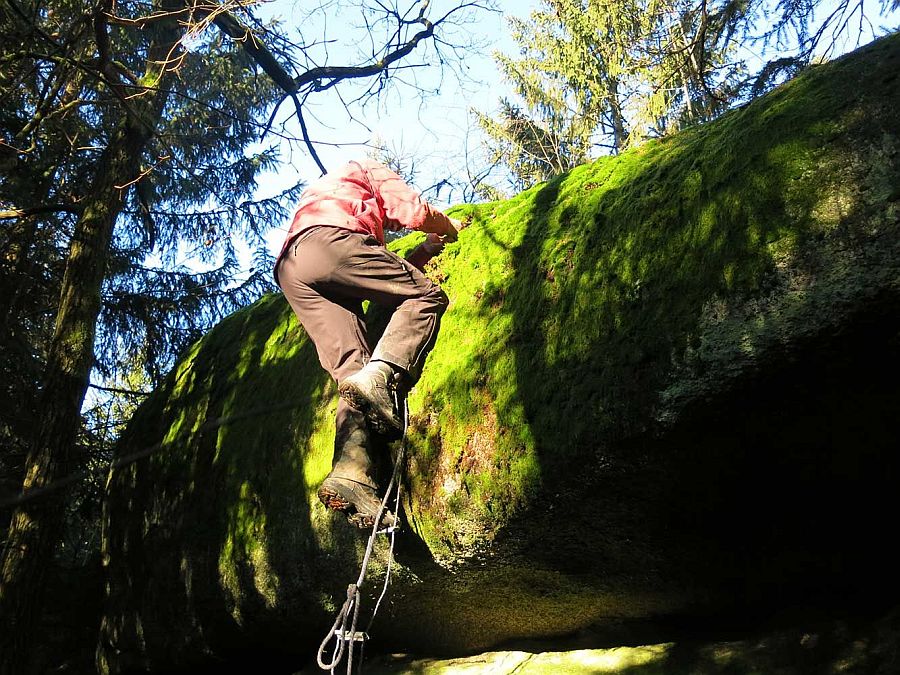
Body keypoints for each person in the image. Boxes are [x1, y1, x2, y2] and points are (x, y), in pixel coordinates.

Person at [274, 158, 464, 529]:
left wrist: (423, 251)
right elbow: (410, 210)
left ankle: (351, 474)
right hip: (332, 243)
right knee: (426, 297)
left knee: (351, 370)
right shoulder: (365, 168)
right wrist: (447, 226)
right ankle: (381, 377)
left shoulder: (327, 195)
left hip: (292, 268)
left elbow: (380, 274)